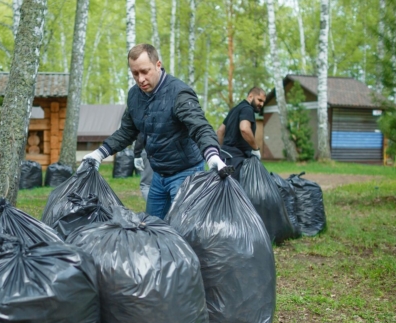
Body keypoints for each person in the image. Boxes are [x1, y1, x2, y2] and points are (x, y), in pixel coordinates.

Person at [78, 43, 225, 219]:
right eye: (135, 73)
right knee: (152, 227)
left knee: (183, 229)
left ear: (158, 65)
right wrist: (99, 153)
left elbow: (199, 126)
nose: (140, 79)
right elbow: (126, 131)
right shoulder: (135, 96)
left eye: (145, 71)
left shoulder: (179, 93)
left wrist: (212, 154)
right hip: (159, 175)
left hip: (186, 173)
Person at [216, 87, 266, 181]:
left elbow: (220, 131)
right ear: (251, 96)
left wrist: (221, 153)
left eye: (263, 102)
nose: (261, 104)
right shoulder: (247, 109)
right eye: (259, 100)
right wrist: (255, 149)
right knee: (236, 192)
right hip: (236, 160)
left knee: (225, 191)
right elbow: (244, 129)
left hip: (225, 158)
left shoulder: (235, 109)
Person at [133, 132, 154, 201]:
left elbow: (142, 133)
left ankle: (153, 209)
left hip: (150, 150)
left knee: (146, 184)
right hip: (172, 151)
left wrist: (137, 153)